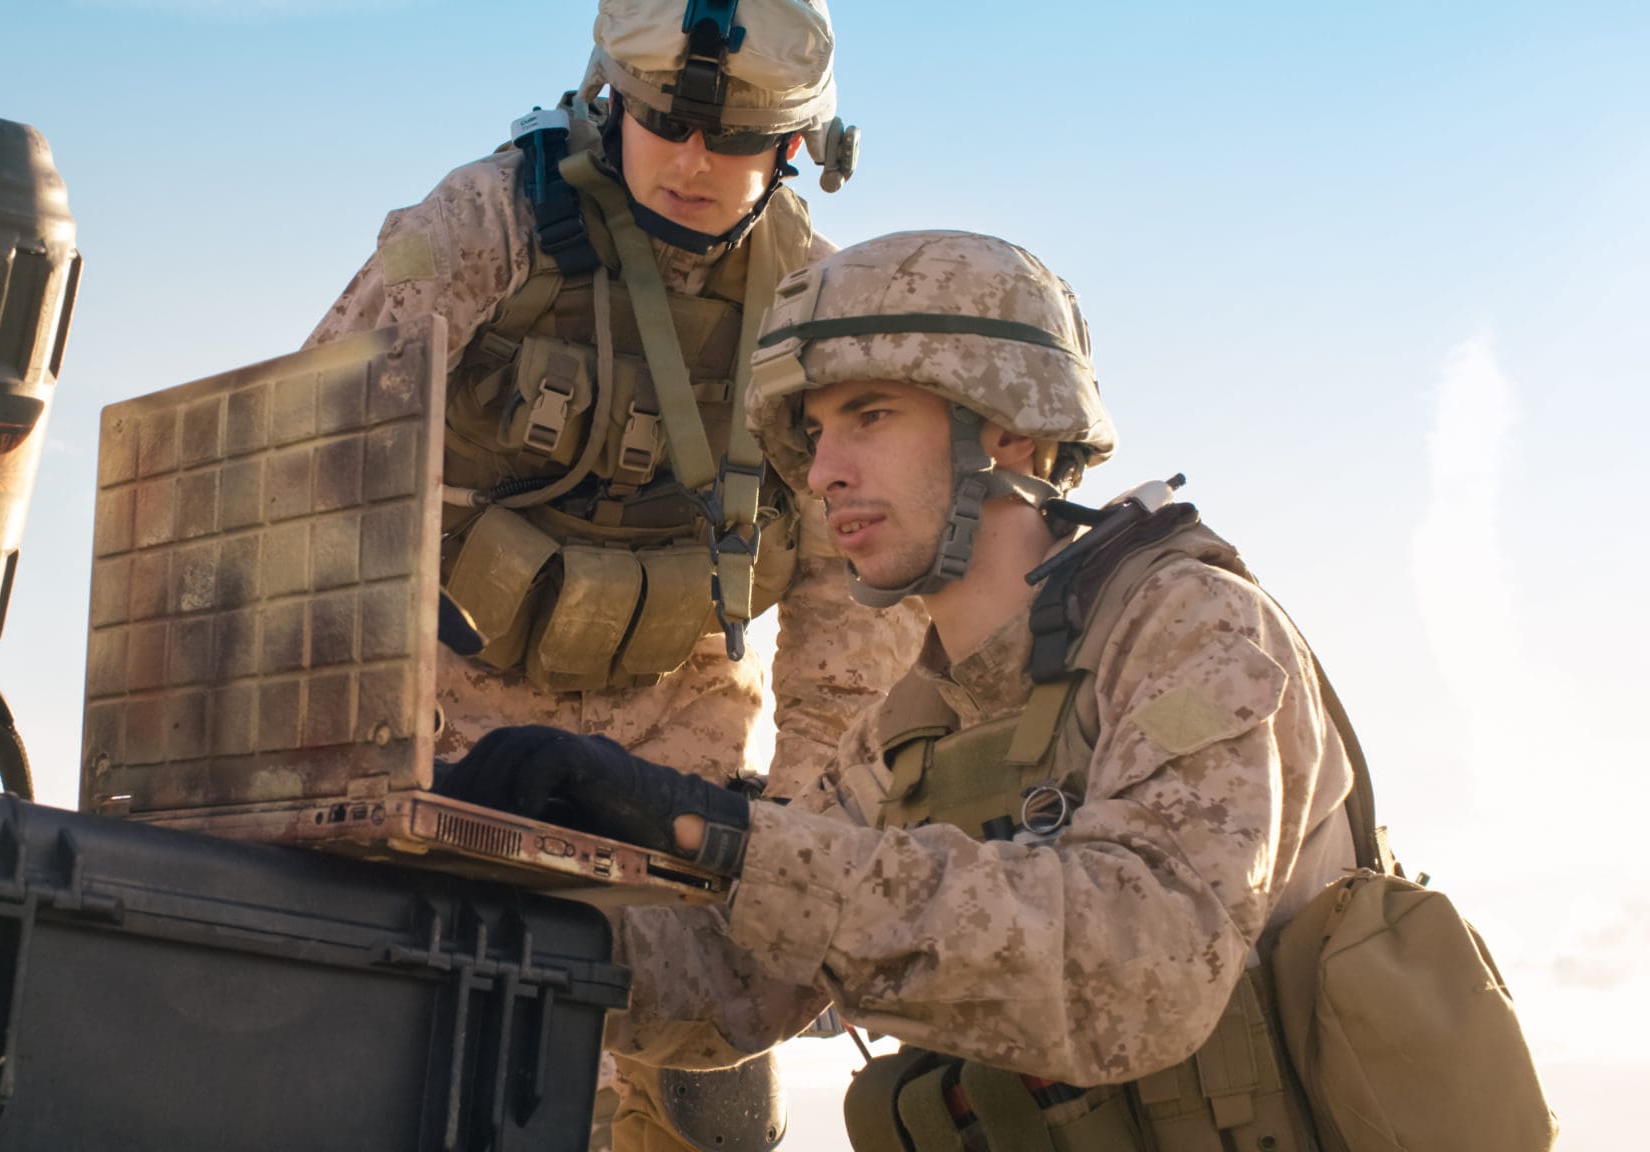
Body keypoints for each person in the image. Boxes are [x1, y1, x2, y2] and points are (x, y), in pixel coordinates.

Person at [438, 230, 1365, 1150]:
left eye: (869, 415)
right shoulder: (914, 727)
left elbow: (1145, 963)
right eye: (813, 433)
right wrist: (472, 882)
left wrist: (710, 828)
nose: (824, 471)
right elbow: (732, 978)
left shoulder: (1191, 627)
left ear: (1011, 428)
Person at [302, 3, 922, 1148]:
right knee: (472, 1078)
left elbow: (856, 589)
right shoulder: (487, 222)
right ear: (607, 99)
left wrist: (797, 821)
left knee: (702, 1094)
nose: (692, 162)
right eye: (662, 123)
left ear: (797, 149)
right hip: (452, 725)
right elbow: (319, 436)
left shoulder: (821, 313)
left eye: (735, 140)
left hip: (677, 738)